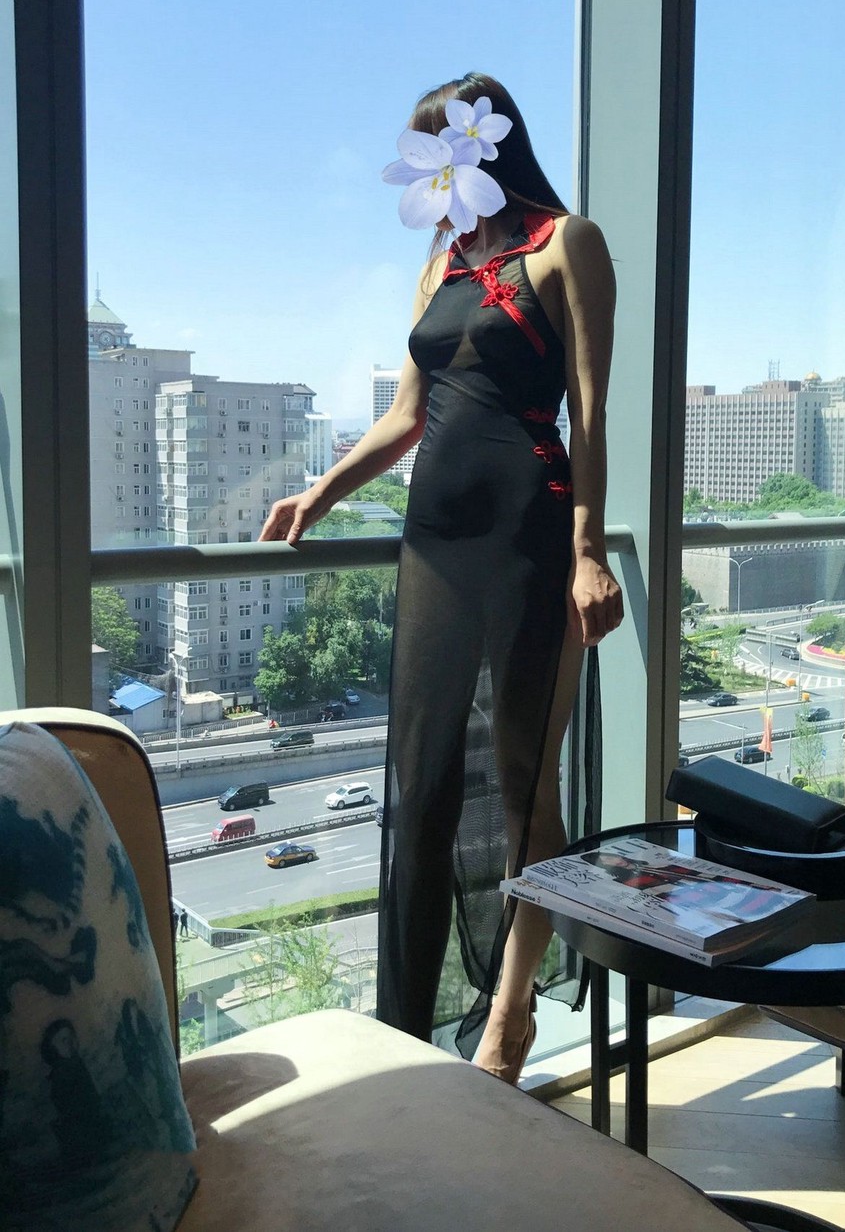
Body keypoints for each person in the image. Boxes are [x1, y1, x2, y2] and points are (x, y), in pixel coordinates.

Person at [260, 72, 622, 1082]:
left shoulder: (568, 243)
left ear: (485, 144)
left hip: (530, 535)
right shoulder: (441, 265)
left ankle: (509, 1015)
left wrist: (589, 549)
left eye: (446, 148)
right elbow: (407, 416)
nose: (435, 172)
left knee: (522, 786)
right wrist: (321, 493)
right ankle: (405, 1042)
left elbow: (590, 408)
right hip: (434, 541)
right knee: (420, 787)